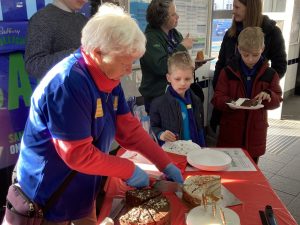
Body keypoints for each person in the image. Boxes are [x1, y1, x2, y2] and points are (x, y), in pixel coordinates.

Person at [12, 4, 183, 225]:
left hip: (82, 187)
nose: (130, 69)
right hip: (48, 199)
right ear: (97, 53)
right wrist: (128, 169)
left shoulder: (109, 77)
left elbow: (128, 129)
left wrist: (164, 163)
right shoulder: (68, 83)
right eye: (126, 62)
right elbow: (77, 154)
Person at [210, 0, 287, 133]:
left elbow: (279, 66)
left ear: (250, 8)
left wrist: (265, 89)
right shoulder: (230, 33)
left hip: (254, 114)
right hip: (228, 111)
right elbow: (220, 65)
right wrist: (222, 96)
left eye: (237, 7)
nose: (233, 11)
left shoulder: (272, 32)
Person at [211, 27, 282, 163]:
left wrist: (269, 95)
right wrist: (231, 103)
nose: (250, 59)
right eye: (246, 55)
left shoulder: (270, 74)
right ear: (239, 49)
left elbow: (278, 99)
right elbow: (217, 98)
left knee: (250, 172)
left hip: (255, 135)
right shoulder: (228, 72)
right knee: (228, 173)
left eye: (255, 55)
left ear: (262, 48)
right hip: (230, 134)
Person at [139, 0, 194, 113]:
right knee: (164, 130)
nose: (177, 16)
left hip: (176, 94)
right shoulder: (150, 38)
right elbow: (161, 66)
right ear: (162, 18)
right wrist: (182, 47)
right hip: (158, 97)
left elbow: (180, 64)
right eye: (173, 14)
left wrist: (192, 65)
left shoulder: (175, 34)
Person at [150, 51, 206, 147]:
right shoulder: (158, 104)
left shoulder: (196, 100)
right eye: (177, 79)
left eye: (187, 79)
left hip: (195, 151)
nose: (182, 83)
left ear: (192, 77)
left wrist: (203, 148)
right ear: (169, 78)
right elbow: (152, 127)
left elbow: (200, 128)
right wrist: (161, 134)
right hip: (173, 153)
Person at [24, 0, 89, 79]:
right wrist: (76, 55)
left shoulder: (83, 20)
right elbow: (33, 65)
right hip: (61, 89)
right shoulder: (42, 19)